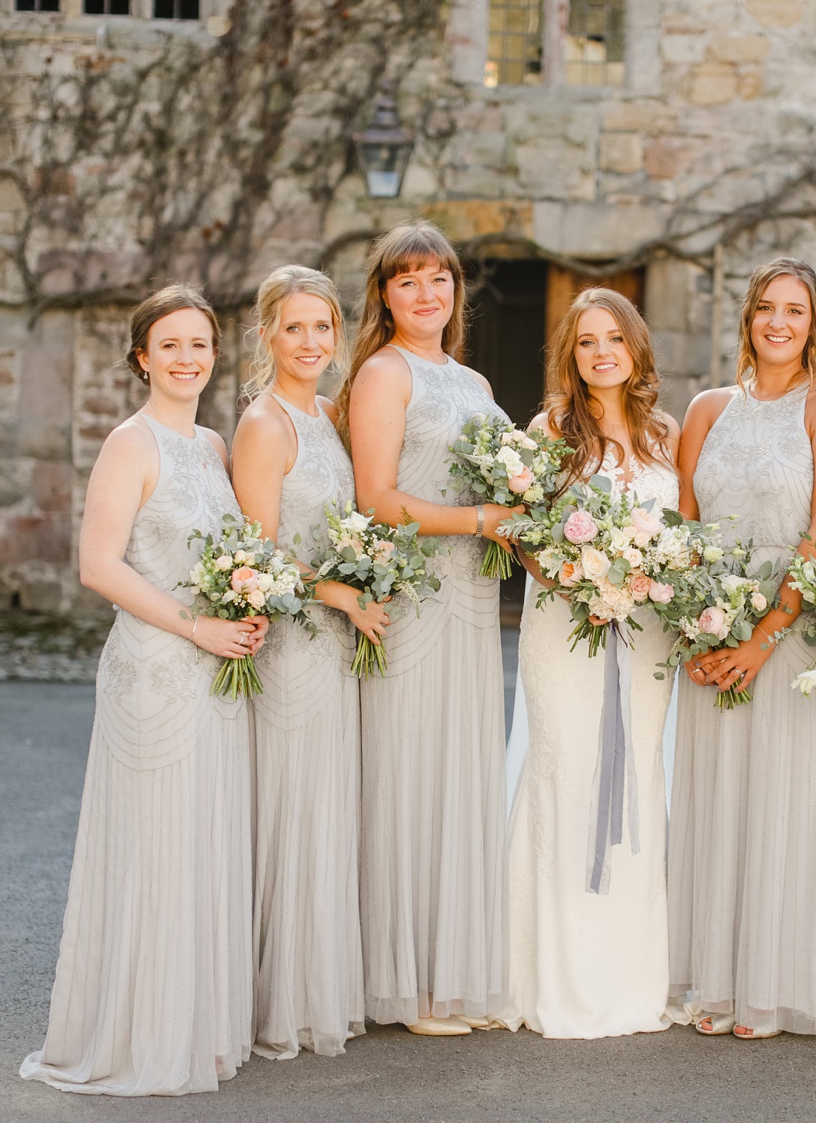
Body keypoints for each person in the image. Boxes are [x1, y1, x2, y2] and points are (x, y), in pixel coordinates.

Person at [21, 285, 262, 1095]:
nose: (188, 358)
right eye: (171, 345)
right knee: (157, 850)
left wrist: (244, 609)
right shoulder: (131, 443)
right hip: (156, 675)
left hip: (217, 674)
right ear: (142, 358)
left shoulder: (214, 445)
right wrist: (197, 628)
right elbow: (99, 566)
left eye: (200, 344)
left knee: (201, 845)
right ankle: (139, 1036)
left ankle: (194, 1023)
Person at [668, 257, 816, 1040]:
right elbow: (683, 527)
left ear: (814, 324)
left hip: (787, 629)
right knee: (719, 798)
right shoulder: (708, 406)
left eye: (796, 310)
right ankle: (718, 978)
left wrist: (761, 638)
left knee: (782, 799)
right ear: (747, 317)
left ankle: (774, 986)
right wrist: (694, 624)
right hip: (712, 628)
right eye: (766, 309)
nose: (779, 322)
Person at [338, 222, 515, 1036]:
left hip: (472, 598)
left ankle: (449, 972)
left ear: (455, 290)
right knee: (408, 768)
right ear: (384, 294)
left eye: (438, 278)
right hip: (412, 594)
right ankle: (402, 983)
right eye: (406, 280)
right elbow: (377, 498)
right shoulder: (381, 372)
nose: (425, 293)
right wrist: (483, 517)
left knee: (459, 767)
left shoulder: (476, 385)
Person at [501, 287, 682, 1039]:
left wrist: (646, 581)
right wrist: (579, 580)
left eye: (614, 337)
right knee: (567, 771)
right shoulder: (549, 430)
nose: (601, 351)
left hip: (647, 637)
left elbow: (687, 531)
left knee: (637, 777)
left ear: (635, 347)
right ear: (571, 356)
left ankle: (629, 973)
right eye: (585, 342)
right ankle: (551, 976)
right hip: (566, 627)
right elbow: (520, 532)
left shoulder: (667, 434)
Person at [232, 266, 385, 1059]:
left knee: (326, 807)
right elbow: (259, 562)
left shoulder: (327, 412)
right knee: (291, 807)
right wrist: (345, 594)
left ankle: (317, 981)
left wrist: (365, 583)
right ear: (267, 336)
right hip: (294, 643)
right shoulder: (264, 426)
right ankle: (276, 999)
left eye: (323, 327)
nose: (312, 342)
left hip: (334, 644)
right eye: (294, 328)